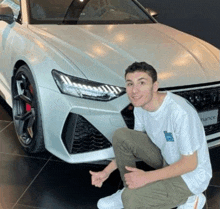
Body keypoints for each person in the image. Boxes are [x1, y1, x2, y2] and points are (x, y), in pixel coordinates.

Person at [90, 61, 212, 209]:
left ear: (155, 86)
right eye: (130, 84)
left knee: (132, 200)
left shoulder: (180, 112)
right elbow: (133, 144)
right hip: (167, 158)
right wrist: (106, 171)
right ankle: (130, 187)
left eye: (142, 83)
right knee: (122, 136)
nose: (134, 91)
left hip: (192, 176)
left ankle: (192, 198)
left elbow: (190, 163)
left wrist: (146, 178)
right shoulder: (140, 106)